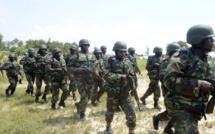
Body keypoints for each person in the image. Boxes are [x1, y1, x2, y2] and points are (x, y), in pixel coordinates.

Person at [163, 24, 215, 134]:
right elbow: (169, 80)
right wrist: (198, 84)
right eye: (209, 38)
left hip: (196, 106)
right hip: (179, 105)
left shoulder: (209, 59)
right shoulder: (182, 57)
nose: (212, 40)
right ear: (198, 40)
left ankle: (168, 128)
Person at [104, 41, 136, 134]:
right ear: (116, 51)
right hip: (113, 92)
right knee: (110, 111)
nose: (123, 54)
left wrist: (132, 87)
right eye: (121, 52)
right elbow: (105, 74)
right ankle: (108, 126)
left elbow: (132, 75)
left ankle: (131, 130)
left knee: (131, 112)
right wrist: (120, 77)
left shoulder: (127, 61)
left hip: (125, 92)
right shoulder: (110, 60)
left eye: (124, 52)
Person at [152, 43, 181, 133]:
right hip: (169, 91)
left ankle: (168, 128)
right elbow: (163, 78)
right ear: (173, 52)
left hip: (179, 91)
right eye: (178, 51)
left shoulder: (180, 61)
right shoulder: (165, 62)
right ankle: (158, 118)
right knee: (173, 112)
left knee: (179, 112)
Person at [68, 39, 96, 120]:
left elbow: (96, 64)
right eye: (84, 45)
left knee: (89, 96)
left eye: (87, 45)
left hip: (90, 79)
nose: (86, 46)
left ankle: (79, 105)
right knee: (84, 96)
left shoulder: (92, 55)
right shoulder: (76, 56)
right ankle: (82, 113)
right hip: (80, 79)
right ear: (81, 46)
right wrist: (78, 70)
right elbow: (69, 67)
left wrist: (97, 71)